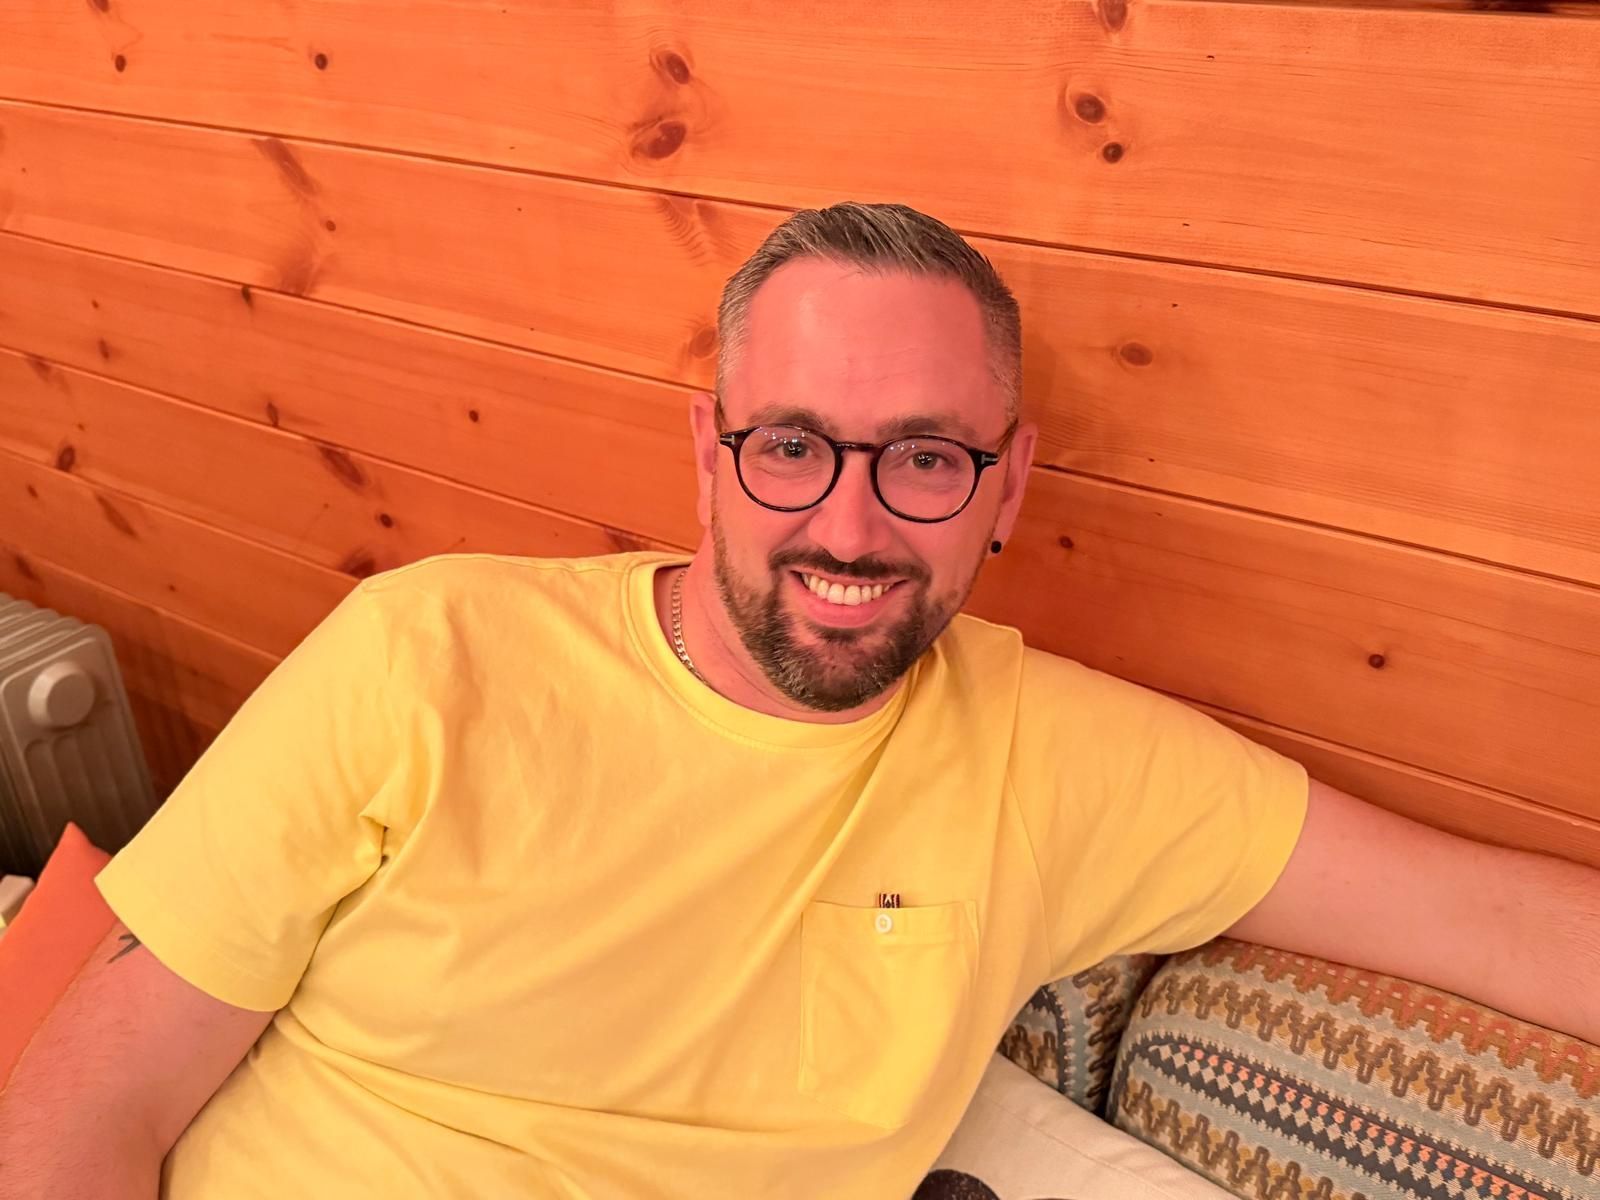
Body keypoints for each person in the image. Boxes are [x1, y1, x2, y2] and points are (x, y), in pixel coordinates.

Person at [3, 203, 1596, 1200]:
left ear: (1005, 485)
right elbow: (92, 1101)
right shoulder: (426, 655)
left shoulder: (1062, 764)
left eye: (923, 458)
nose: (847, 527)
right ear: (709, 451)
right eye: (791, 447)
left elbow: (1498, 925)